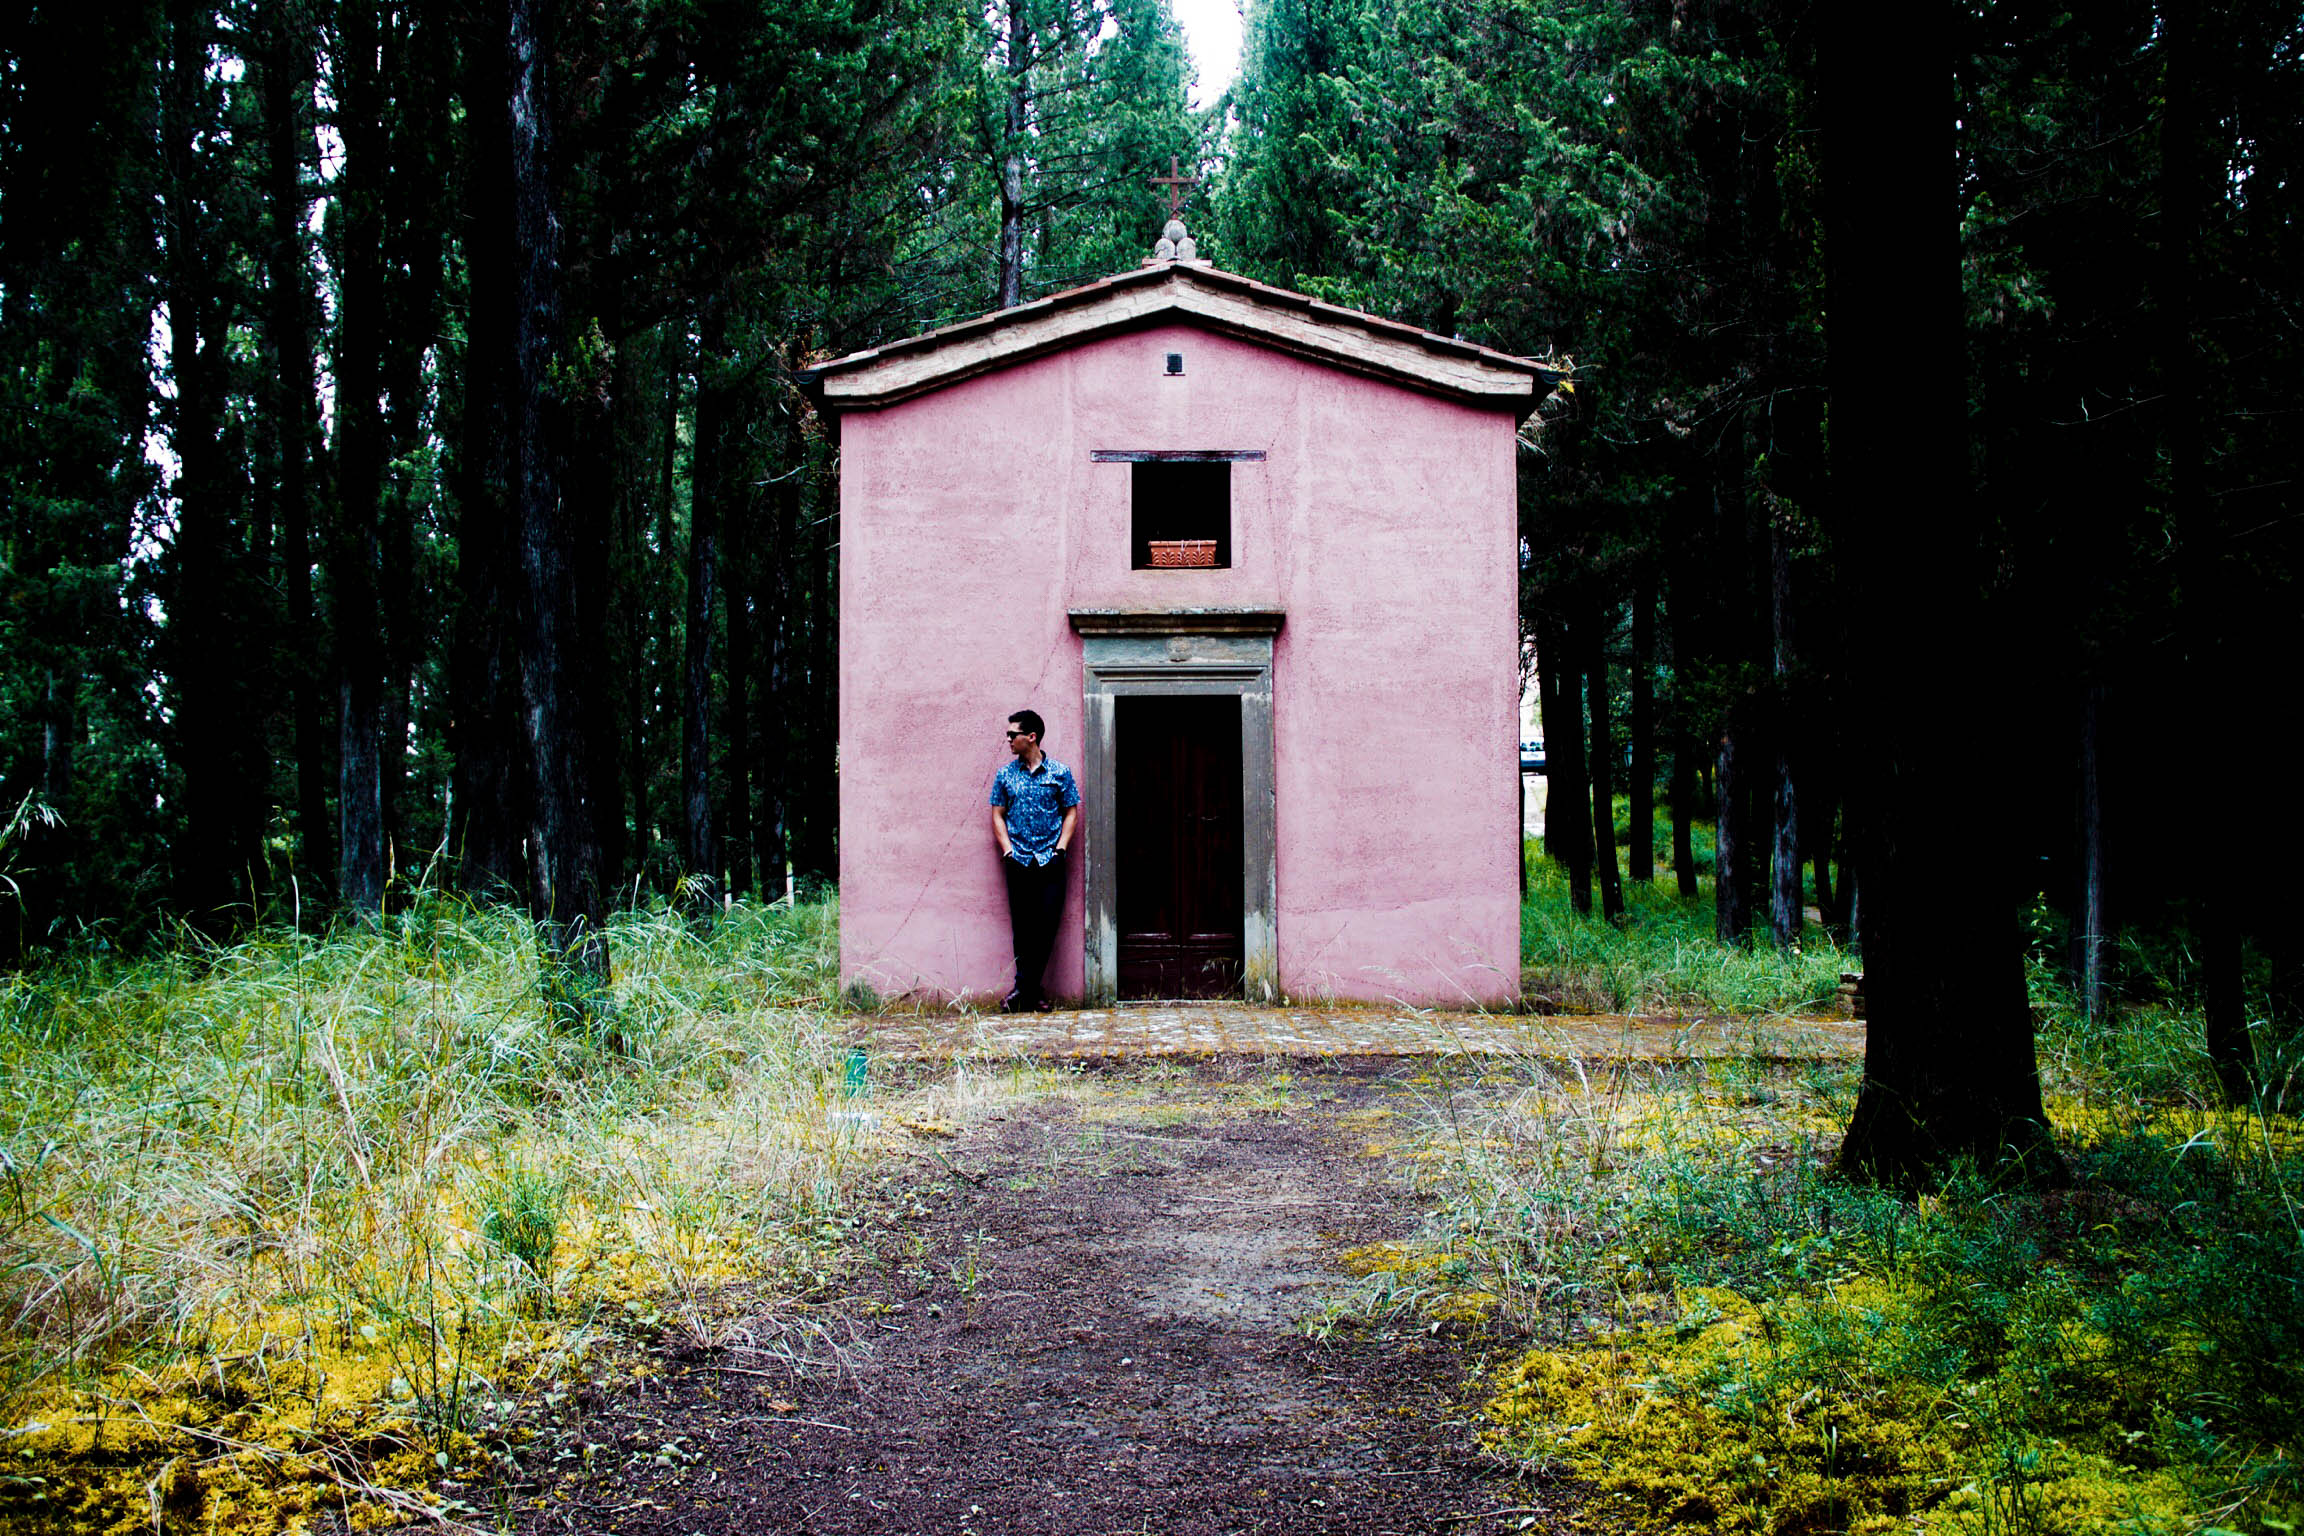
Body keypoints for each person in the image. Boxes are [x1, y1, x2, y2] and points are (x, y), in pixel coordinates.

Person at [988, 709, 1080, 1012]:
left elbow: (1071, 812)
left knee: (1047, 926)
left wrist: (1061, 850)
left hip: (1050, 861)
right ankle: (1032, 993)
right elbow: (997, 814)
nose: (1009, 740)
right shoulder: (1005, 775)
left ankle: (1023, 991)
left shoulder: (1060, 773)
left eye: (1013, 735)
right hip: (1019, 862)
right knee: (1023, 928)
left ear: (1032, 737)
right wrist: (1008, 851)